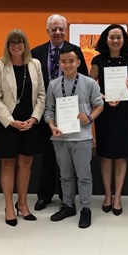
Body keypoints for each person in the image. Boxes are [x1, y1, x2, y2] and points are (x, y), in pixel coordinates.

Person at [31, 14, 89, 211]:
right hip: (47, 112)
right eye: (53, 29)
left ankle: (67, 197)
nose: (57, 32)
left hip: (71, 113)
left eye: (61, 29)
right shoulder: (36, 52)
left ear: (66, 30)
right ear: (47, 31)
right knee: (47, 155)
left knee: (68, 157)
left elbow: (85, 79)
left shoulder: (75, 51)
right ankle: (44, 195)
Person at [0, 29, 45, 226]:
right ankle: (9, 207)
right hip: (6, 123)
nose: (16, 46)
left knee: (26, 164)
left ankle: (22, 203)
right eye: (12, 42)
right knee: (8, 164)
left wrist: (34, 118)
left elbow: (41, 95)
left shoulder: (35, 64)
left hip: (29, 123)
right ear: (7, 45)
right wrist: (11, 121)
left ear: (25, 44)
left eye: (20, 42)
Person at [44, 45, 103, 228]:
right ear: (59, 63)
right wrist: (52, 126)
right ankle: (68, 205)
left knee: (84, 176)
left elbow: (99, 105)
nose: (67, 65)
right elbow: (49, 110)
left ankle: (86, 209)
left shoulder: (89, 83)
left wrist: (90, 117)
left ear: (78, 62)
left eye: (71, 61)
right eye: (63, 61)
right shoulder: (54, 84)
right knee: (65, 176)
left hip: (82, 137)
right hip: (60, 138)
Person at [89, 24, 128, 216]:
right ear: (105, 39)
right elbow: (91, 86)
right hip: (105, 110)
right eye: (112, 37)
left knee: (121, 153)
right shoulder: (97, 60)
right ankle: (107, 195)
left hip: (124, 110)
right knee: (107, 153)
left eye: (119, 37)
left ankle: (118, 196)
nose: (115, 41)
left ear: (124, 40)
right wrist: (102, 96)